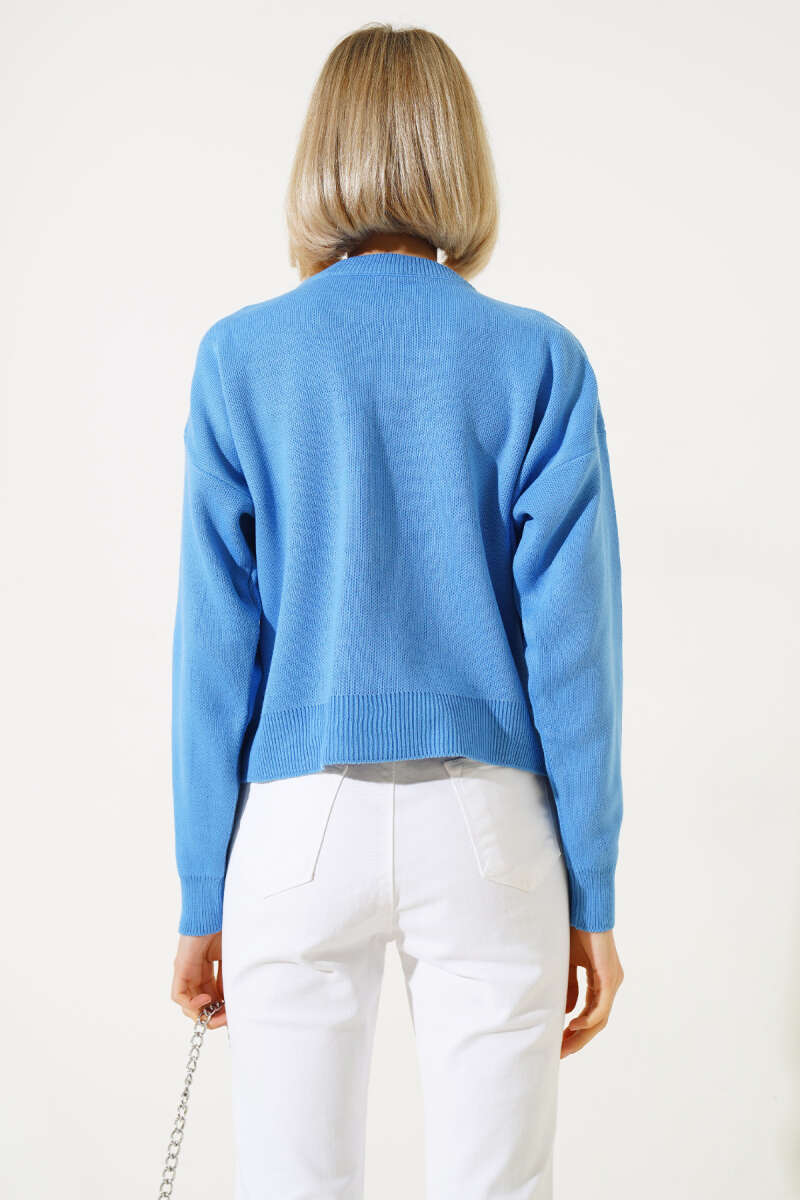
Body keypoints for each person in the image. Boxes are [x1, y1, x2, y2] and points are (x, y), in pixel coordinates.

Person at [169, 22, 624, 1200]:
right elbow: (573, 658)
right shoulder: (539, 361)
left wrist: (200, 892)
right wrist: (592, 894)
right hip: (488, 827)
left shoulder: (239, 358)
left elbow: (215, 651)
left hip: (294, 825)